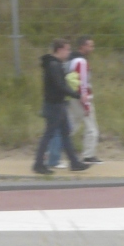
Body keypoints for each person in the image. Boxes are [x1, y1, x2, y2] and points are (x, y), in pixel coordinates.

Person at [32, 38, 89, 175]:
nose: (69, 52)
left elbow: (61, 85)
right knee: (49, 134)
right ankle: (38, 164)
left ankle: (74, 163)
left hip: (59, 104)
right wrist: (78, 95)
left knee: (65, 134)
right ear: (60, 50)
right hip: (54, 105)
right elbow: (60, 86)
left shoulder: (55, 64)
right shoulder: (53, 65)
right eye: (67, 49)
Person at [46, 36, 100, 168]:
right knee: (91, 129)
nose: (92, 48)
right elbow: (82, 83)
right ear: (83, 46)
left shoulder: (72, 61)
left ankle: (51, 151)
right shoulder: (81, 62)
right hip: (81, 98)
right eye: (90, 45)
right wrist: (85, 101)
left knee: (70, 127)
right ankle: (88, 155)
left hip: (73, 98)